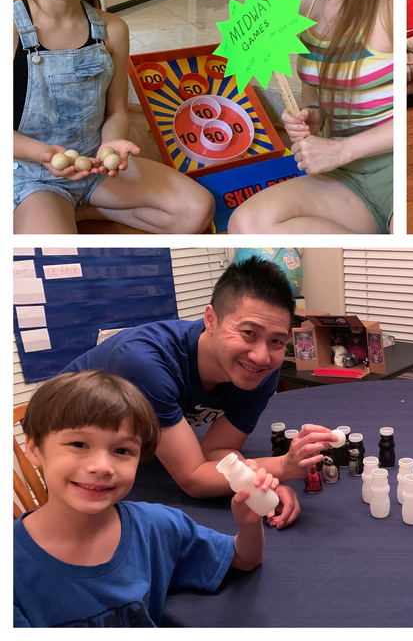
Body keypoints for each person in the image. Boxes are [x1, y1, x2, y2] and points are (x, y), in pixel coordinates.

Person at [59, 255, 337, 527]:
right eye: (248, 333)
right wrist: (284, 466)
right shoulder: (146, 363)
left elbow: (219, 450)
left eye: (276, 340)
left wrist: (260, 486)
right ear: (211, 319)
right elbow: (193, 478)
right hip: (72, 455)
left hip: (136, 448)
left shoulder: (261, 372)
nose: (261, 356)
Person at [13, 0, 215, 233]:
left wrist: (111, 145)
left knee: (197, 209)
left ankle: (80, 211)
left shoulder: (113, 30)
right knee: (54, 246)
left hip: (96, 167)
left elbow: (117, 110)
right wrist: (46, 154)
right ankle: (51, 211)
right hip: (33, 175)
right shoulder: (10, 29)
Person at [14, 370, 274, 627]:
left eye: (122, 450)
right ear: (35, 449)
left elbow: (242, 558)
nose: (102, 466)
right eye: (79, 445)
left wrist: (249, 523)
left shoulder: (156, 526)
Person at [227, 0, 393, 234]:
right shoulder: (304, 4)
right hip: (345, 177)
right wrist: (311, 117)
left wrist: (341, 150)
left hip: (394, 172)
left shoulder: (389, 7)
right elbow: (313, 98)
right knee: (246, 222)